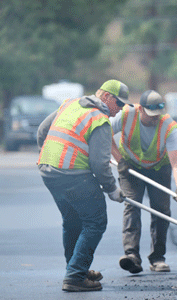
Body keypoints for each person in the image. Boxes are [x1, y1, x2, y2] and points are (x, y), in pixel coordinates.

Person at [36, 79, 132, 292]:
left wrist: (51, 157)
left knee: (72, 221)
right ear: (106, 97)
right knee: (95, 221)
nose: (120, 110)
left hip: (48, 171)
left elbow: (43, 131)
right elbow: (99, 164)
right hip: (73, 175)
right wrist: (112, 190)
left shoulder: (69, 104)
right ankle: (75, 275)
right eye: (119, 103)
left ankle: (75, 268)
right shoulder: (100, 120)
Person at [110, 90, 177, 274]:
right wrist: (119, 159)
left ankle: (158, 258)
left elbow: (176, 160)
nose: (155, 119)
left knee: (161, 211)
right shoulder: (126, 114)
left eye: (157, 116)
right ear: (141, 110)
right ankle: (132, 257)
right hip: (130, 167)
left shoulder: (168, 125)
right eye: (151, 115)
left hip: (159, 168)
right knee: (132, 206)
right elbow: (104, 132)